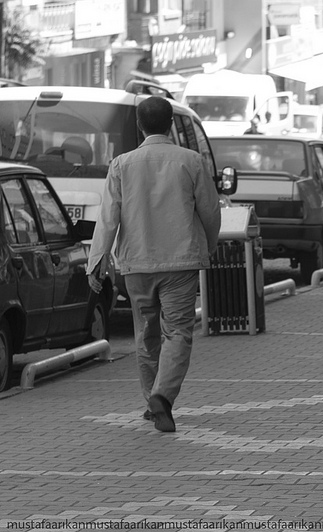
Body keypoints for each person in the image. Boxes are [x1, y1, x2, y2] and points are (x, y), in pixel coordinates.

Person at [87, 96, 221, 433]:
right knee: (177, 332)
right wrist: (210, 245)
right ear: (171, 124)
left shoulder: (121, 164)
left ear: (140, 126)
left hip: (137, 263)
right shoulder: (191, 160)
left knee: (145, 333)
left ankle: (152, 400)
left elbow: (108, 217)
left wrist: (96, 261)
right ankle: (163, 396)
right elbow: (210, 210)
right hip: (180, 262)